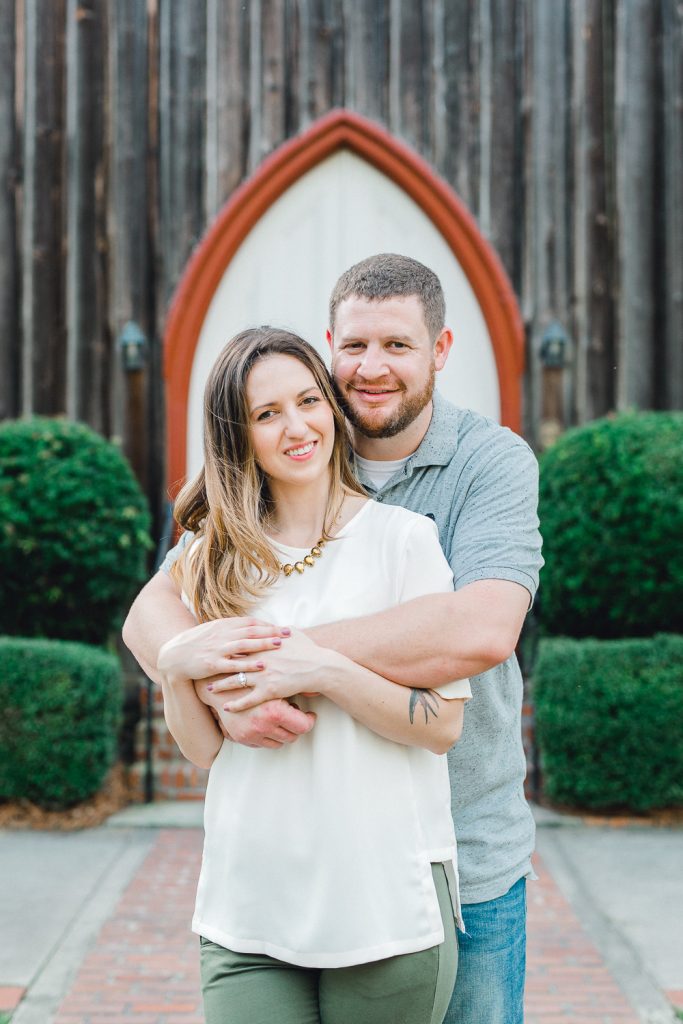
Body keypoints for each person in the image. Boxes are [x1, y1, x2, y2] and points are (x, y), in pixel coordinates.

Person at [123, 253, 543, 1024]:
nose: (371, 368)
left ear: (439, 352)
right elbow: (155, 611)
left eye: (397, 346)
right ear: (327, 346)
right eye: (353, 346)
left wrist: (283, 659)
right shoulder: (297, 448)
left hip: (458, 854)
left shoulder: (487, 464)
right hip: (286, 866)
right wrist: (203, 676)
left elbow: (480, 629)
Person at [149, 325, 472, 1024]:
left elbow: (443, 724)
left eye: (307, 401)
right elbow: (204, 750)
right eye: (267, 415)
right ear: (239, 436)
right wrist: (176, 670)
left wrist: (323, 668)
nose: (297, 427)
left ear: (331, 405)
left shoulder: (402, 541)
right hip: (248, 908)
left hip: (385, 902)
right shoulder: (209, 557)